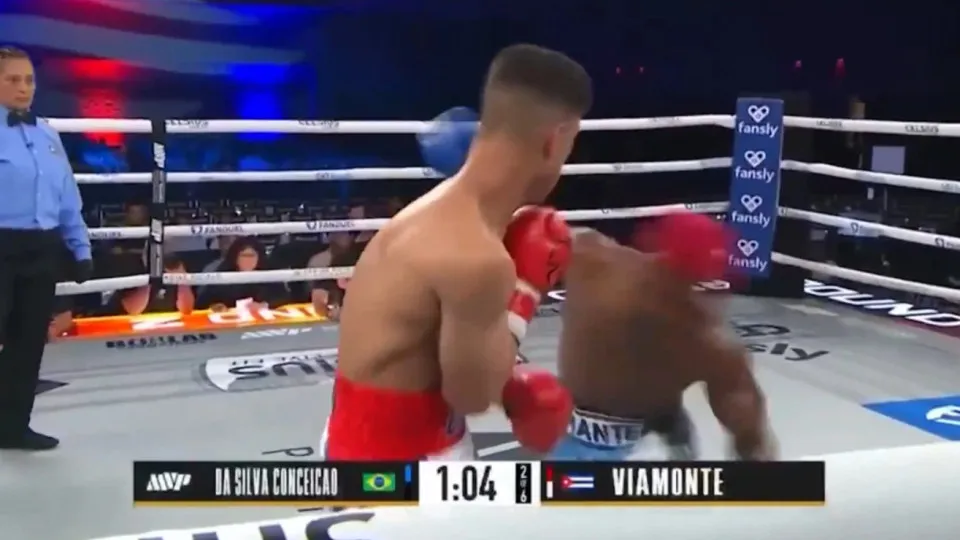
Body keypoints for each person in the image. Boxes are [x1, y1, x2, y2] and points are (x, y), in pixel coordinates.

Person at [321, 44, 593, 460]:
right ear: (554, 143)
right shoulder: (474, 254)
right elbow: (472, 395)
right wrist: (523, 292)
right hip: (407, 466)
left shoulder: (438, 211)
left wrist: (511, 383)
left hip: (359, 442)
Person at [547, 216, 777, 461]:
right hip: (578, 426)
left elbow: (750, 437)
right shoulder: (590, 259)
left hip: (650, 434)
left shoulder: (711, 347)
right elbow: (751, 440)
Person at [0, 46, 92, 450]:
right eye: (12, 79)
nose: (24, 88)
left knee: (28, 343)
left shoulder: (48, 134)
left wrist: (80, 248)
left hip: (41, 248)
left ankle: (12, 427)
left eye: (29, 80)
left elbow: (67, 197)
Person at [197, 236, 285, 311]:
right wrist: (215, 306)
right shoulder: (223, 274)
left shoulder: (268, 274)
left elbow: (283, 298)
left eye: (251, 255)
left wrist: (264, 305)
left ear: (259, 257)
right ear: (235, 257)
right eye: (243, 255)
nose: (247, 260)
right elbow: (203, 301)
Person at [102, 254, 195, 316]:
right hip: (125, 328)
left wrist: (182, 280)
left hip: (164, 328)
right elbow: (132, 310)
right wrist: (150, 278)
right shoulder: (134, 271)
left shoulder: (172, 275)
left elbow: (186, 310)